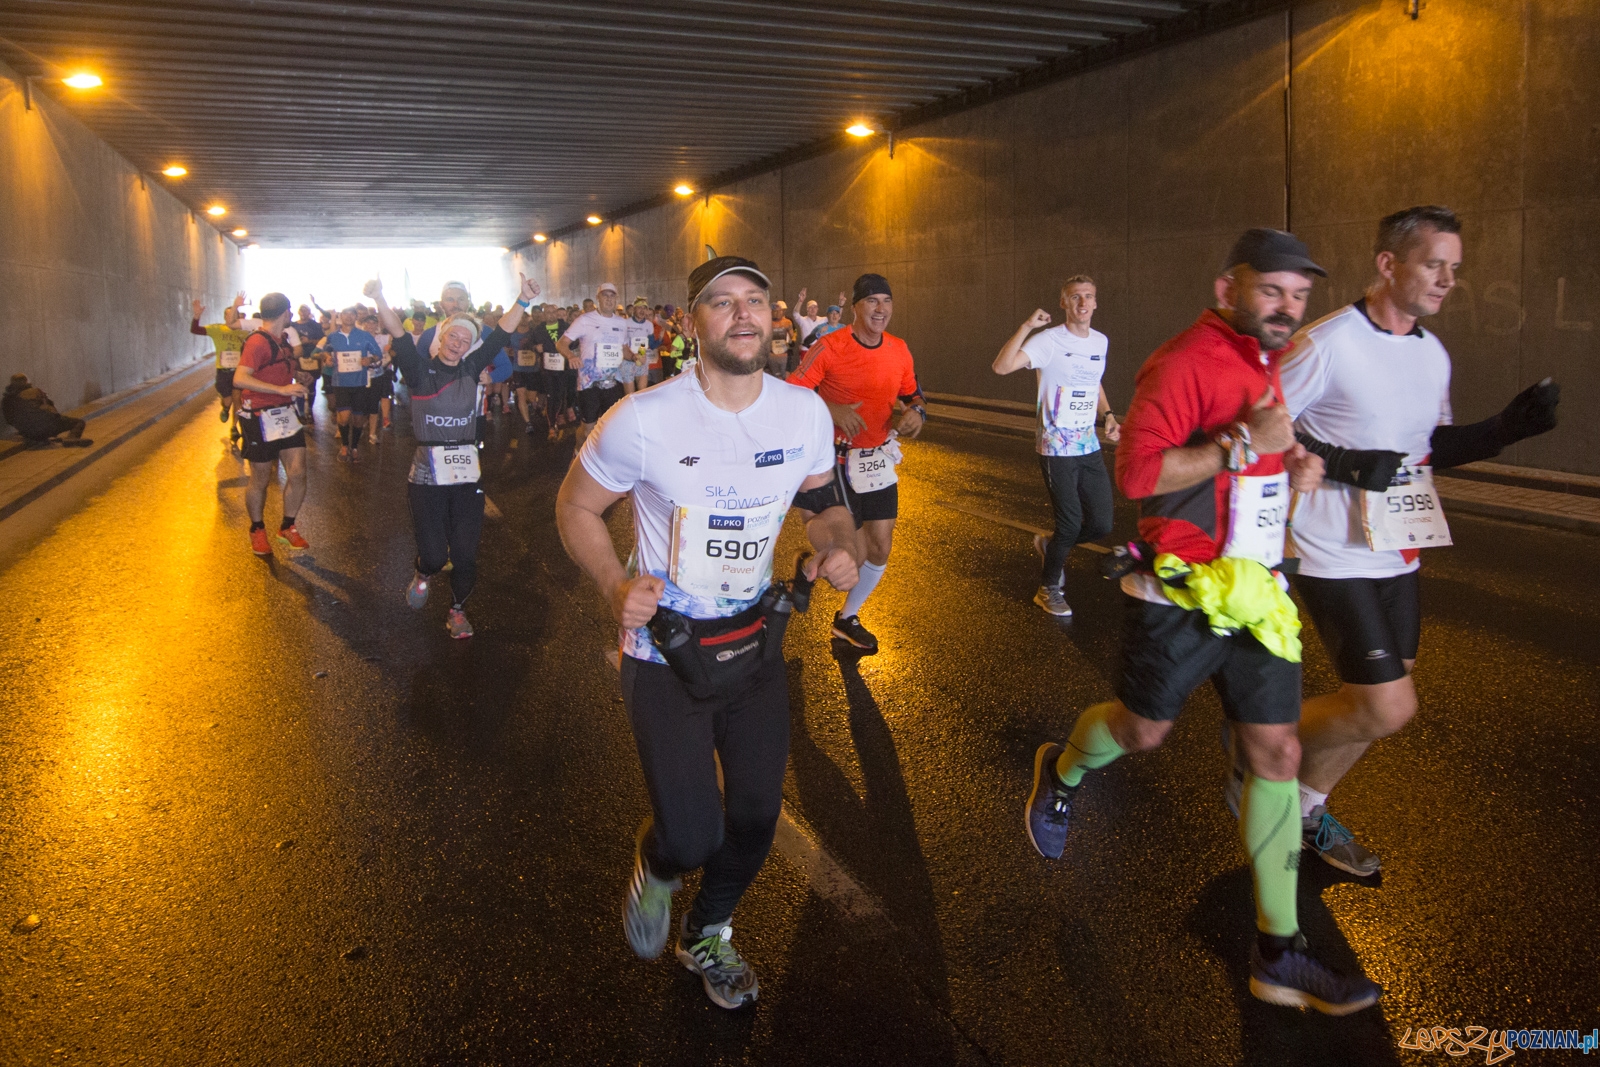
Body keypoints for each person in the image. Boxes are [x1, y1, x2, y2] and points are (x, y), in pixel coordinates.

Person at [1022, 229, 1385, 1015]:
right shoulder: (1184, 360)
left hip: (1254, 589)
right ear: (1229, 289)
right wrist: (1240, 445)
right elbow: (1140, 471)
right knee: (1144, 731)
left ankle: (1279, 950)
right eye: (1272, 290)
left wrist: (1289, 467)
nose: (1288, 307)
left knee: (1278, 750)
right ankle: (1061, 772)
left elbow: (1253, 460)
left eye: (1299, 295)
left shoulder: (1267, 363)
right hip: (1179, 589)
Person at [555, 256, 860, 1010]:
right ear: (694, 322)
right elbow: (575, 506)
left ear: (773, 316)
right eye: (722, 303)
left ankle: (708, 931)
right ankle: (660, 868)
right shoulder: (644, 418)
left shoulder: (802, 413)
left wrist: (836, 540)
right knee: (690, 835)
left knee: (756, 814)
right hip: (665, 649)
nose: (743, 314)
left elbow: (823, 500)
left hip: (754, 641)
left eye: (755, 299)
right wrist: (615, 586)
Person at [1253, 206, 1562, 876]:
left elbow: (1421, 453)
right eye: (1433, 264)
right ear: (1388, 264)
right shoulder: (1326, 342)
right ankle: (1257, 748)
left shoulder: (1432, 352)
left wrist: (1503, 428)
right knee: (1386, 705)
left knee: (1379, 702)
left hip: (1398, 542)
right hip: (1327, 545)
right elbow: (1262, 424)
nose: (1448, 279)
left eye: (1454, 267)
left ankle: (1303, 806)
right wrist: (1341, 463)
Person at [367, 274, 540, 639]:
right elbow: (398, 333)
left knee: (464, 553)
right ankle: (423, 572)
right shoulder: (418, 370)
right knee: (433, 555)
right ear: (440, 336)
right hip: (426, 474)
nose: (457, 344)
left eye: (465, 340)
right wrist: (380, 298)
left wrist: (523, 299)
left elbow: (500, 336)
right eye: (452, 336)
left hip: (465, 472)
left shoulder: (470, 368)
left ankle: (457, 610)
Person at [787, 272, 926, 654]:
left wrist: (917, 412)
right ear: (856, 307)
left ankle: (847, 618)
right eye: (872, 302)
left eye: (886, 301)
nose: (881, 309)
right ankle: (811, 565)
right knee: (854, 555)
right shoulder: (830, 346)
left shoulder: (899, 348)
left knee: (880, 548)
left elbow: (914, 394)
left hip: (877, 459)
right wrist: (830, 409)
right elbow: (792, 392)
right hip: (834, 459)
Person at [991, 276, 1119, 616]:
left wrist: (1107, 414)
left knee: (1103, 523)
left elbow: (1094, 382)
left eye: (1088, 296)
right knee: (1071, 523)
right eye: (1075, 297)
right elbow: (1001, 367)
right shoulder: (1048, 340)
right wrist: (1026, 327)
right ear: (1064, 303)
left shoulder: (1099, 342)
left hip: (1087, 444)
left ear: (1095, 303)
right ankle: (1048, 588)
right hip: (1055, 445)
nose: (1082, 302)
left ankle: (1049, 545)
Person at [231, 293, 311, 556]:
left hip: (285, 414)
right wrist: (281, 389)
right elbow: (240, 379)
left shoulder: (283, 340)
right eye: (290, 312)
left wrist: (297, 377)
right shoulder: (257, 342)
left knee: (298, 472)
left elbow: (277, 371)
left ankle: (287, 526)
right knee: (260, 478)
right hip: (258, 416)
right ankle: (257, 529)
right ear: (286, 313)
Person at [558, 282, 631, 445]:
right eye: (605, 295)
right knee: (587, 430)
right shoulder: (584, 320)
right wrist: (570, 356)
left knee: (610, 428)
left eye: (612, 296)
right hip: (589, 384)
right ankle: (577, 454)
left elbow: (624, 349)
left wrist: (634, 357)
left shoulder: (621, 323)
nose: (609, 299)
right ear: (598, 298)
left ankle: (601, 462)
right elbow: (561, 343)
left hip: (613, 383)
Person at [317, 307, 383, 462]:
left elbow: (378, 354)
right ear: (341, 316)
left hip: (360, 382)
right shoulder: (333, 336)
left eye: (351, 314)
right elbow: (324, 352)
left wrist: (370, 360)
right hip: (340, 383)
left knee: (359, 419)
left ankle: (354, 447)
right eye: (345, 313)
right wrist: (326, 358)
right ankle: (345, 445)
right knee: (345, 417)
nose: (348, 316)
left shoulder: (364, 336)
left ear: (356, 317)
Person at [190, 294, 247, 442]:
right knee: (228, 400)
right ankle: (225, 408)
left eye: (236, 315)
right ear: (225, 317)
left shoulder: (245, 332)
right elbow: (196, 330)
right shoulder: (217, 329)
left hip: (238, 372)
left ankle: (234, 427)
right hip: (223, 372)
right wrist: (196, 316)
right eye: (230, 315)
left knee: (238, 400)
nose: (233, 317)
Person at [3, 374, 92, 448]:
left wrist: (23, 428)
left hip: (27, 432)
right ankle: (72, 439)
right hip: (49, 427)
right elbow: (52, 409)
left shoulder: (7, 399)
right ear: (27, 381)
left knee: (37, 431)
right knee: (78, 422)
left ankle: (39, 439)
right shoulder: (36, 391)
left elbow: (9, 420)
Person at [623, 297, 656, 394]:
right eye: (639, 308)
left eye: (644, 308)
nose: (642, 311)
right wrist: (632, 355)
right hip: (628, 360)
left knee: (642, 393)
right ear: (634, 309)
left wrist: (640, 353)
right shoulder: (625, 323)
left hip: (642, 358)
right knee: (630, 396)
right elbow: (622, 343)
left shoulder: (649, 325)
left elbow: (649, 343)